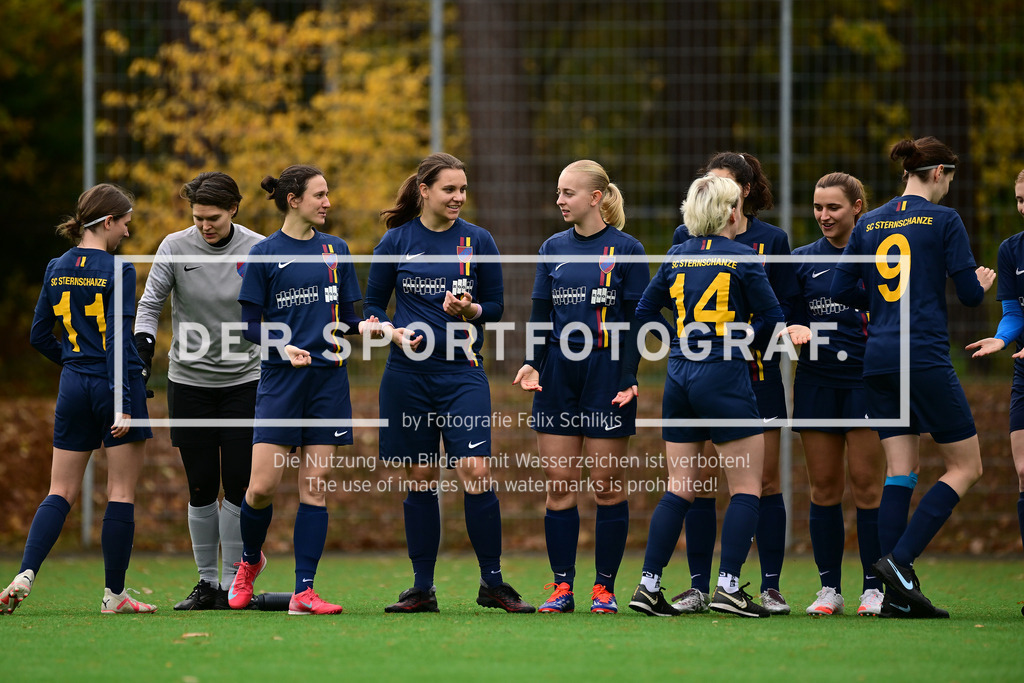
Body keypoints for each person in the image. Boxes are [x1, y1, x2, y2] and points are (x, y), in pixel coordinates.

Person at [831, 136, 995, 618]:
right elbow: (967, 296)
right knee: (967, 467)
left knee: (900, 471)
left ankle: (894, 598)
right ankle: (899, 563)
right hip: (921, 355)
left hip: (878, 358)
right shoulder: (944, 220)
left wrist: (882, 307)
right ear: (939, 172)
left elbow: (843, 289)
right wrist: (981, 284)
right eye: (951, 178)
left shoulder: (871, 221)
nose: (949, 188)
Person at [365, 152, 534, 614]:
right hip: (407, 377)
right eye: (449, 189)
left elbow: (496, 307)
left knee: (475, 471)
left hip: (462, 375)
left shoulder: (479, 240)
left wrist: (471, 311)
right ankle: (421, 589)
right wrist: (388, 329)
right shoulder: (396, 241)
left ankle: (493, 584)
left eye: (463, 189)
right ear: (425, 191)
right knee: (420, 475)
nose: (459, 197)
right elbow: (372, 306)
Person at [628, 173, 782, 618]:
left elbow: (642, 311)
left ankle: (647, 586)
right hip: (724, 377)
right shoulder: (744, 255)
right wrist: (740, 339)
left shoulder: (676, 255)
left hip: (678, 377)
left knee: (679, 487)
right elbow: (771, 319)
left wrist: (679, 339)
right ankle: (728, 588)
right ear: (733, 212)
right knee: (747, 487)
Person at [0, 184, 156, 615]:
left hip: (73, 386)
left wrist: (72, 361)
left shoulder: (55, 266)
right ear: (108, 221)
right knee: (120, 491)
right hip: (113, 387)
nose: (127, 232)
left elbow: (38, 336)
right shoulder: (118, 270)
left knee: (60, 490)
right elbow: (120, 344)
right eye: (124, 223)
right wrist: (124, 401)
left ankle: (25, 573)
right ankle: (114, 597)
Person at [228, 164, 377, 616]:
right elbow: (249, 325)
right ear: (293, 200)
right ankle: (250, 561)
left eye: (327, 194)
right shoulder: (265, 254)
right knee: (262, 487)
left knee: (315, 486)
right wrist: (285, 344)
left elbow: (347, 319)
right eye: (319, 195)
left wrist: (371, 327)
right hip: (281, 381)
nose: (327, 202)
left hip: (328, 382)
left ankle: (303, 592)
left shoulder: (337, 250)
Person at [513, 160, 648, 614]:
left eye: (568, 193)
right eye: (558, 192)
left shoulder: (627, 250)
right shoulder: (552, 247)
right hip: (558, 372)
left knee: (606, 483)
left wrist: (630, 377)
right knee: (558, 482)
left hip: (607, 370)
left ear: (595, 198)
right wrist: (532, 363)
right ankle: (561, 587)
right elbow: (538, 315)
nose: (560, 200)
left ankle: (604, 588)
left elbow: (636, 324)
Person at [669, 152, 800, 615]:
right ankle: (699, 587)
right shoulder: (685, 240)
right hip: (705, 378)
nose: (712, 191)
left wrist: (757, 338)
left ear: (743, 191)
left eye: (721, 183)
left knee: (763, 482)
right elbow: (667, 306)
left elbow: (783, 306)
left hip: (757, 376)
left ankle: (769, 585)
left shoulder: (771, 240)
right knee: (698, 482)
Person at [134, 172, 264, 610]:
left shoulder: (258, 248)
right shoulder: (174, 246)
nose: (205, 226)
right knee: (201, 485)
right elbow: (150, 305)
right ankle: (207, 582)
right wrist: (143, 346)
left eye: (213, 218)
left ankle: (231, 583)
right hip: (189, 382)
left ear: (233, 211)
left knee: (241, 483)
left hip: (246, 380)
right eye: (198, 218)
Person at [787, 172, 885, 616]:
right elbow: (782, 317)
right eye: (818, 207)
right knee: (824, 488)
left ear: (858, 207)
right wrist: (794, 327)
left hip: (867, 381)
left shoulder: (883, 256)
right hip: (816, 382)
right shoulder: (802, 259)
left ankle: (874, 588)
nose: (824, 216)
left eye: (834, 207)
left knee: (868, 488)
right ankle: (829, 590)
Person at [965, 167, 1024, 616]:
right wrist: (1003, 339)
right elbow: (1012, 312)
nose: (1023, 208)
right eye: (1020, 199)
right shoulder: (1011, 250)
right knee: (1023, 473)